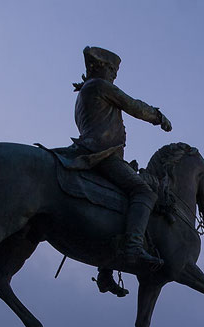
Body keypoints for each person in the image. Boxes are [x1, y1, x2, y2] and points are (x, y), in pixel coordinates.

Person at [73, 46, 172, 296]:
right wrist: (158, 117)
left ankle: (105, 271)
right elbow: (134, 106)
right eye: (113, 70)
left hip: (93, 153)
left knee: (115, 204)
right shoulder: (99, 86)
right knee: (144, 192)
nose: (115, 75)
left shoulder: (84, 92)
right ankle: (134, 247)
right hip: (102, 156)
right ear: (103, 69)